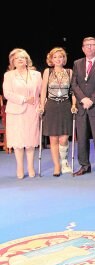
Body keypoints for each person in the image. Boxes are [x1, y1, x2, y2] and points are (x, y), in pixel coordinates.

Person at [71, 37, 95, 177]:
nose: (90, 47)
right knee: (81, 137)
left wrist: (92, 100)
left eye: (92, 45)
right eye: (87, 45)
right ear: (82, 48)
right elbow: (74, 84)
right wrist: (83, 99)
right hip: (82, 107)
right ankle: (84, 165)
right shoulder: (77, 63)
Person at [2, 48, 42, 179]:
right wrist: (24, 99)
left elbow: (41, 93)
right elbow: (7, 93)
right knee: (18, 141)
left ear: (27, 60)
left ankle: (30, 167)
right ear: (12, 61)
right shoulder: (9, 75)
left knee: (30, 140)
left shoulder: (36, 74)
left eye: (22, 57)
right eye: (17, 58)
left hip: (32, 111)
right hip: (15, 111)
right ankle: (19, 167)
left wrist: (41, 105)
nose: (20, 60)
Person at [38, 47, 76, 177]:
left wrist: (74, 104)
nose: (58, 59)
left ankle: (64, 161)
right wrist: (41, 105)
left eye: (60, 56)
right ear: (51, 59)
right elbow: (43, 90)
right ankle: (57, 166)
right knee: (53, 138)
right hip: (51, 106)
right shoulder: (47, 72)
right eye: (55, 57)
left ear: (64, 58)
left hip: (65, 105)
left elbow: (73, 91)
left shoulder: (70, 72)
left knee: (64, 137)